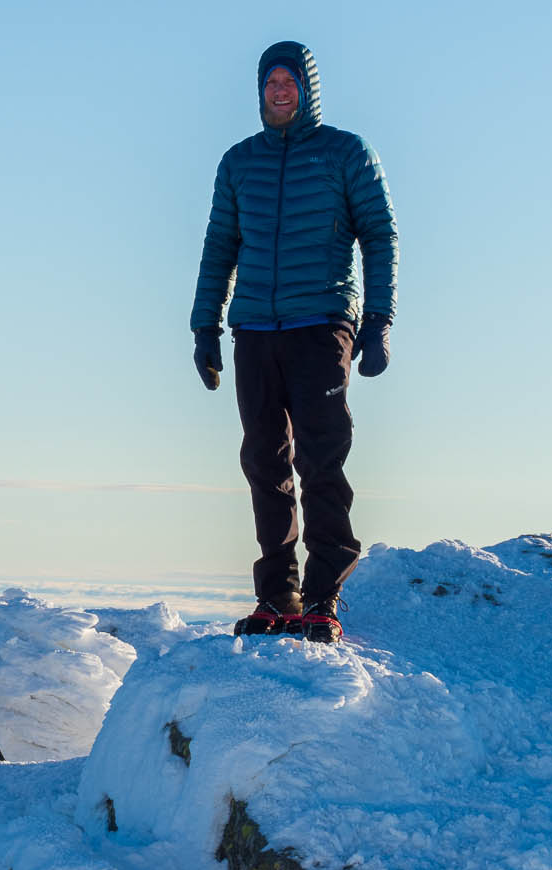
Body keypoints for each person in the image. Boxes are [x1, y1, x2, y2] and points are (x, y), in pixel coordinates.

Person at [191, 40, 398, 644]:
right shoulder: (238, 163)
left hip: (321, 324)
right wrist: (205, 325)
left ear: (307, 89)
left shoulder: (345, 153)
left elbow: (379, 237)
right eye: (270, 83)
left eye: (289, 82)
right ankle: (275, 597)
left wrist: (378, 322)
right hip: (254, 329)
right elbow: (219, 250)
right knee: (263, 462)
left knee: (321, 458)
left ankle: (323, 596)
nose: (279, 91)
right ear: (260, 91)